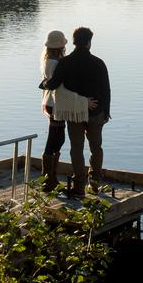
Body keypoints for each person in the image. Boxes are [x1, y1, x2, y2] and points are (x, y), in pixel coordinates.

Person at [42, 26, 111, 198]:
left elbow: (54, 84)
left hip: (74, 113)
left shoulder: (65, 62)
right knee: (96, 147)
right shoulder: (99, 62)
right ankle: (94, 184)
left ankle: (79, 186)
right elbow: (106, 89)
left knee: (76, 148)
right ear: (89, 42)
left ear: (73, 42)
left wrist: (44, 83)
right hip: (96, 112)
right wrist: (106, 111)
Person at [37, 30, 71, 193]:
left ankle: (51, 177)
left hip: (52, 102)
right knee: (55, 138)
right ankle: (48, 179)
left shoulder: (48, 60)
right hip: (55, 103)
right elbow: (59, 83)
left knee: (58, 138)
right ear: (60, 46)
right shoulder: (56, 63)